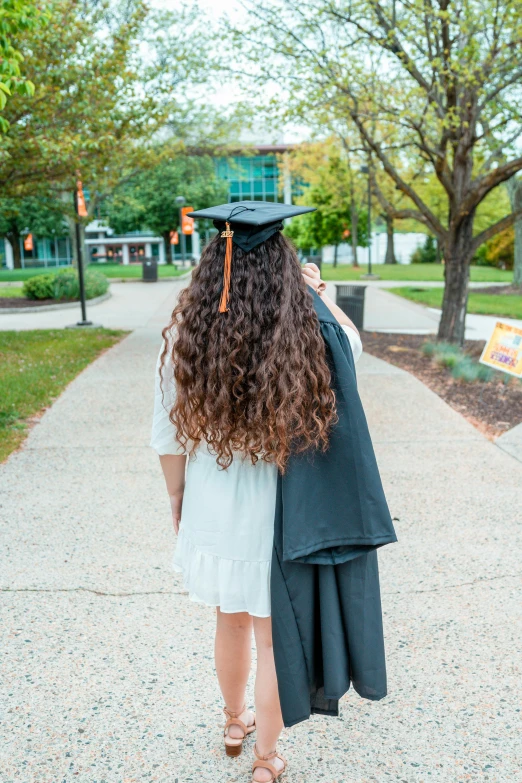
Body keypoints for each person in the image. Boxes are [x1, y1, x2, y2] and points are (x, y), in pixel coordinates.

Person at [150, 201, 366, 783]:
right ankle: (268, 760)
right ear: (285, 264)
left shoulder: (186, 338)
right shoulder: (309, 333)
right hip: (282, 511)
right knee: (275, 641)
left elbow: (168, 432)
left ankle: (232, 721)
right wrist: (319, 296)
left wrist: (176, 498)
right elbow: (354, 355)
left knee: (230, 620)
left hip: (215, 508)